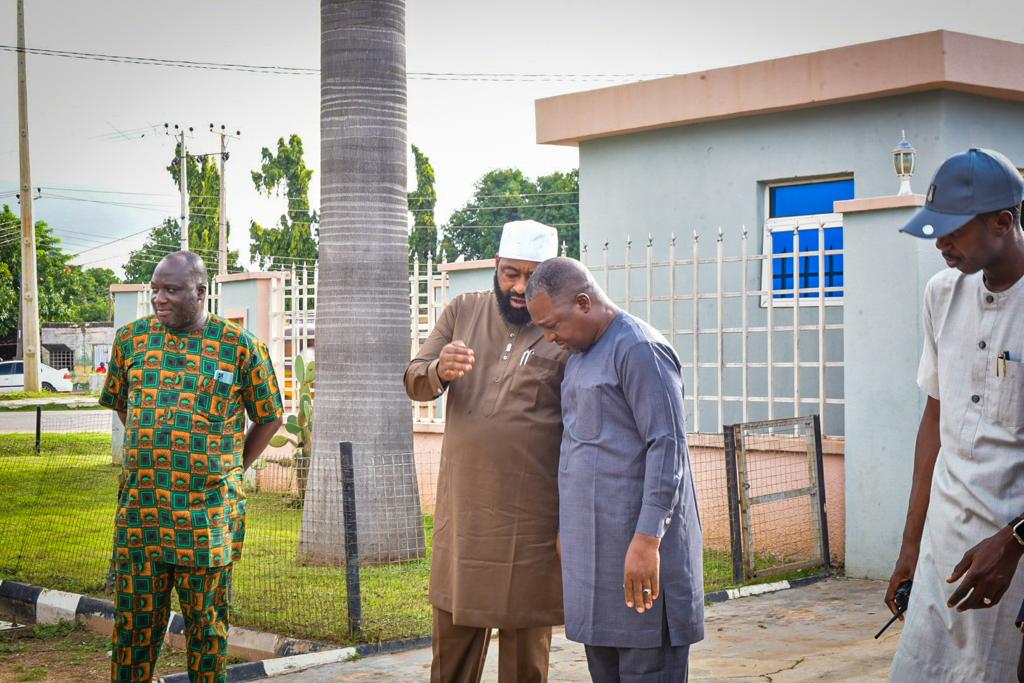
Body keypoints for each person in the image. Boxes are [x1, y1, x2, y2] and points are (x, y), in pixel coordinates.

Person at [99, 251, 283, 683]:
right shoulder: (131, 341)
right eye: (156, 289)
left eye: (171, 289)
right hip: (142, 519)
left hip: (206, 520)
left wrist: (233, 465)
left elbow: (270, 414)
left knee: (207, 631)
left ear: (201, 292)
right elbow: (124, 404)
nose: (159, 298)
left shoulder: (239, 347)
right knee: (133, 630)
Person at [525, 257, 705, 682]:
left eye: (552, 325)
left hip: (638, 549)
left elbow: (667, 447)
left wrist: (647, 540)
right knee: (604, 665)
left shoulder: (639, 349)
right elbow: (579, 448)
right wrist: (567, 529)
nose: (550, 338)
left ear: (584, 302)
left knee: (647, 664)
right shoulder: (579, 358)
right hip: (594, 558)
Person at [404, 220, 568, 683]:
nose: (519, 288)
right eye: (510, 273)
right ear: (496, 265)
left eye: (532, 277)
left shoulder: (562, 331)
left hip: (532, 523)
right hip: (466, 517)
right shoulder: (463, 311)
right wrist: (440, 368)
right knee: (452, 655)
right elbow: (415, 378)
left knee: (525, 663)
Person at [886, 148, 1024, 682]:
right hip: (944, 554)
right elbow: (935, 423)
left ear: (1002, 221)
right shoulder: (942, 293)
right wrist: (911, 546)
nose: (939, 243)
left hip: (1011, 561)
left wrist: (1013, 542)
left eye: (953, 230)